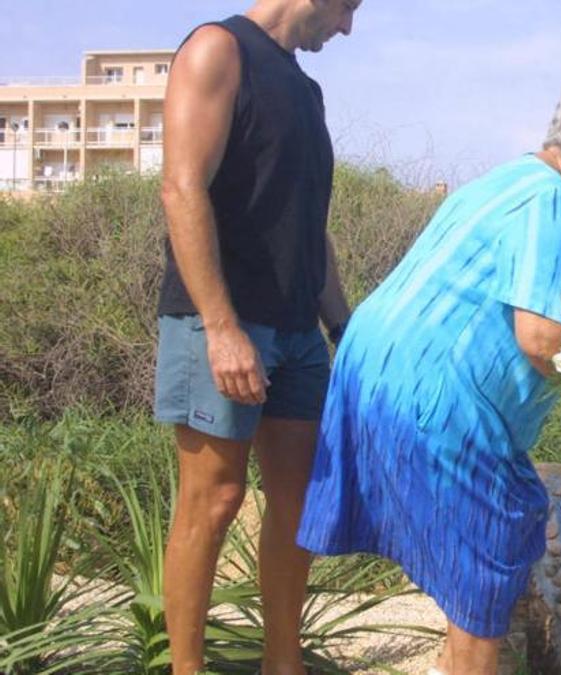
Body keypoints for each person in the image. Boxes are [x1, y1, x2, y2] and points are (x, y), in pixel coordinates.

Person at [297, 78, 561, 674]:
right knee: (492, 539)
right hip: (432, 393)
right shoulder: (551, 201)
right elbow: (542, 341)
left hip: (372, 370)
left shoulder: (506, 179)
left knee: (480, 555)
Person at [154, 1, 359, 672]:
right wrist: (220, 326)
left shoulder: (305, 89)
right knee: (213, 498)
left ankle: (282, 662)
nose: (348, 28)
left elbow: (311, 226)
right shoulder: (219, 50)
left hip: (299, 331)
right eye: (348, 8)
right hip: (223, 320)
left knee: (299, 501)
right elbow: (183, 188)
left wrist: (344, 327)